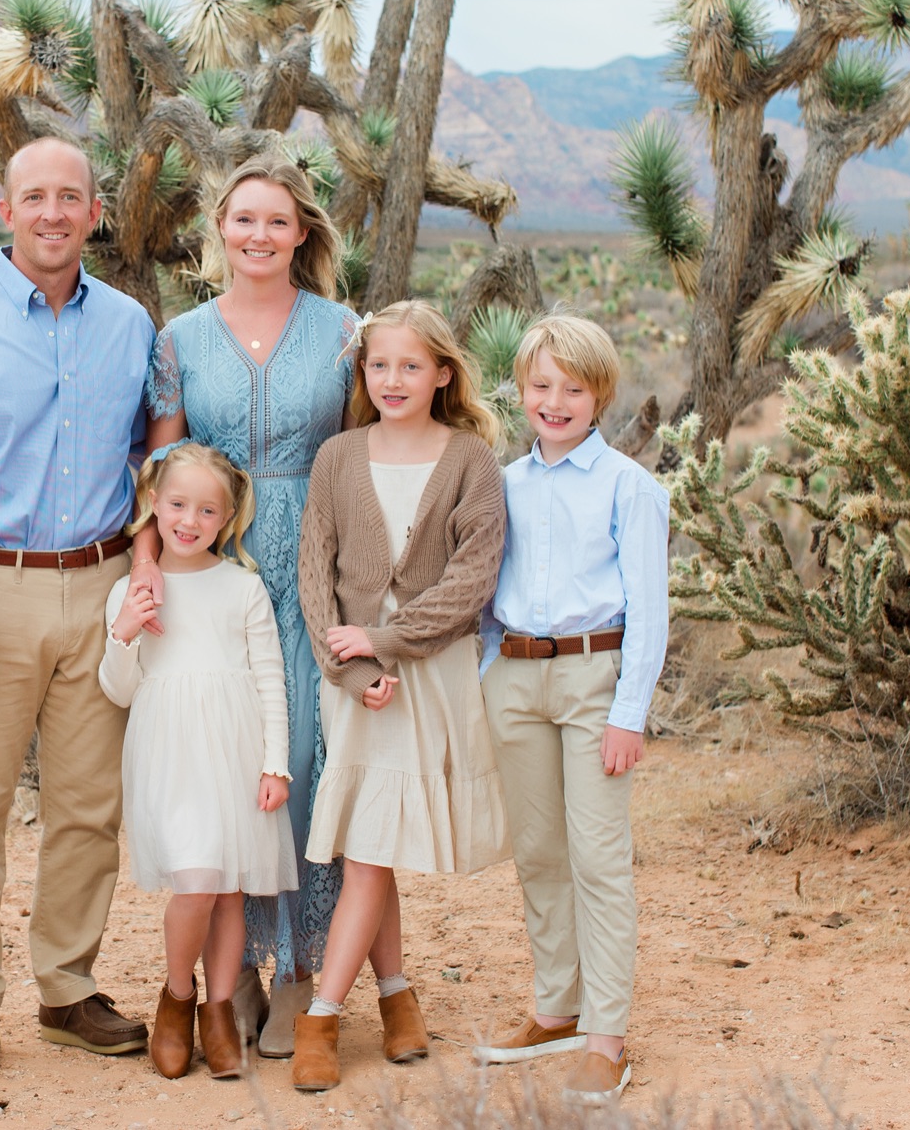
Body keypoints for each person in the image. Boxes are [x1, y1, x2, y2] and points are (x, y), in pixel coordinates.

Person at [0, 136, 158, 1077]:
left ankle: (67, 986)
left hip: (100, 583)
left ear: (94, 212)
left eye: (70, 196)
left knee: (89, 803)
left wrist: (147, 564)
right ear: (6, 210)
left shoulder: (131, 325)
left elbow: (153, 453)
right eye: (35, 196)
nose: (53, 212)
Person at [136, 153, 358, 1055]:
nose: (258, 235)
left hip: (315, 565)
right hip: (214, 567)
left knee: (302, 757)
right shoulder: (180, 338)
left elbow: (362, 453)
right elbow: (160, 466)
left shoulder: (343, 330)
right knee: (231, 771)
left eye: (276, 220)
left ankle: (303, 966)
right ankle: (239, 977)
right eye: (243, 219)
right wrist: (148, 561)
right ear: (219, 230)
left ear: (301, 233)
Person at [290, 300, 512, 1092]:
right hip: (355, 681)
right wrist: (351, 668)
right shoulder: (338, 456)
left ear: (443, 373)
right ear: (363, 370)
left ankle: (336, 1010)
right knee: (369, 850)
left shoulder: (471, 460)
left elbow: (472, 579)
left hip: (426, 674)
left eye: (411, 365)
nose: (393, 379)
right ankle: (380, 1000)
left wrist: (385, 643)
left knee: (370, 850)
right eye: (379, 364)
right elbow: (314, 573)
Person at [471, 311, 669, 1106]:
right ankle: (558, 1007)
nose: (555, 403)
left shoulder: (629, 486)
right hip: (516, 677)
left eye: (573, 389)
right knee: (540, 851)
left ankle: (606, 1036)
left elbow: (650, 611)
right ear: (522, 389)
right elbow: (486, 581)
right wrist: (491, 666)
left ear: (600, 396)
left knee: (597, 855)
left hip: (594, 679)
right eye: (542, 385)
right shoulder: (504, 484)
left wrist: (629, 712)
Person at [100, 444, 299, 1080]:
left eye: (207, 510)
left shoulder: (242, 586)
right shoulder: (132, 591)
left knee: (229, 892)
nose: (190, 520)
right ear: (154, 504)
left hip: (235, 751)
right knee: (196, 884)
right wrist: (125, 630)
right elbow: (119, 691)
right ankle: (177, 995)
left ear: (227, 518)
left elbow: (269, 678)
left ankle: (219, 1011)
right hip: (170, 754)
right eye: (178, 505)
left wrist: (274, 765)